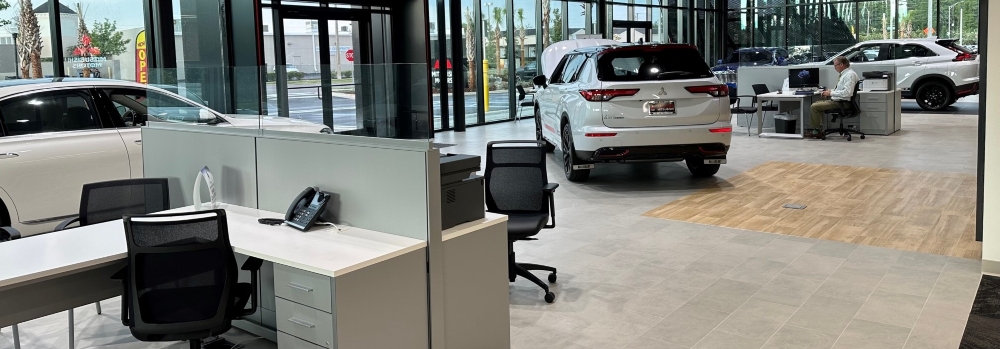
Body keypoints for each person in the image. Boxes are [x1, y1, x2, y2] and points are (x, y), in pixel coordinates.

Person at [807, 56, 859, 138]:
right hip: (839, 101)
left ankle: (816, 131)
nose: (834, 68)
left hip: (843, 103)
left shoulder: (849, 75)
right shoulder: (845, 74)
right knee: (817, 103)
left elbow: (848, 93)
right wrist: (830, 92)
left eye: (835, 65)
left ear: (841, 64)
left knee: (815, 107)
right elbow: (842, 90)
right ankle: (819, 129)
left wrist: (830, 94)